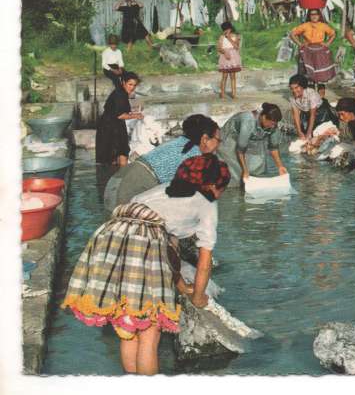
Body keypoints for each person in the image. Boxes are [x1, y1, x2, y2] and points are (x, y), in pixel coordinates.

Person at [62, 152, 231, 375]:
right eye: (221, 190)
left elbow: (170, 253)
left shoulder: (165, 190)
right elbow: (204, 261)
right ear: (211, 186)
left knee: (128, 326)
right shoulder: (207, 203)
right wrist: (198, 296)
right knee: (150, 334)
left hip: (110, 237)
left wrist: (181, 286)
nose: (220, 195)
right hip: (143, 242)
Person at [106, 114, 221, 208]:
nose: (219, 145)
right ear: (205, 139)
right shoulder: (196, 156)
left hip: (117, 180)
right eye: (218, 140)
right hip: (136, 184)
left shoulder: (179, 142)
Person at [217, 103, 288, 183]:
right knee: (236, 173)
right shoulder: (248, 120)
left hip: (250, 138)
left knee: (258, 167)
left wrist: (280, 166)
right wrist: (245, 170)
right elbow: (240, 149)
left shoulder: (273, 126)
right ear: (263, 117)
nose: (272, 126)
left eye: (274, 124)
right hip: (230, 138)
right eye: (271, 123)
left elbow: (273, 148)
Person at [95, 71, 143, 167]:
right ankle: (122, 176)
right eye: (130, 84)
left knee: (114, 154)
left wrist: (133, 113)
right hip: (111, 127)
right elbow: (120, 115)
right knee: (121, 151)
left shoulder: (121, 92)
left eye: (134, 85)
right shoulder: (120, 94)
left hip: (109, 125)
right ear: (123, 82)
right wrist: (136, 116)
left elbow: (118, 111)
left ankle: (115, 175)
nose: (132, 87)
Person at [289, 8, 336, 83]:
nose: (314, 16)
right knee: (308, 75)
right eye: (312, 14)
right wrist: (300, 44)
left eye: (316, 14)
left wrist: (327, 43)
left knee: (321, 77)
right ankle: (309, 91)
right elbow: (292, 34)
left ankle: (320, 92)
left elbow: (333, 34)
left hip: (320, 52)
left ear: (319, 15)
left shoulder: (323, 25)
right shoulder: (305, 25)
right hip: (307, 52)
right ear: (309, 16)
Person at [288, 74, 338, 141]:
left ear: (303, 86)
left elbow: (313, 115)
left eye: (296, 88)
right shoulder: (292, 97)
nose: (294, 91)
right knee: (303, 134)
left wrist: (308, 133)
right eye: (292, 88)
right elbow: (296, 115)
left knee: (316, 134)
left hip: (321, 113)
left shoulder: (311, 94)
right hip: (306, 113)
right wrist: (299, 131)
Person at [217, 21, 242, 99]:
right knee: (224, 76)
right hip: (225, 57)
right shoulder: (221, 37)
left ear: (230, 29)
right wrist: (224, 52)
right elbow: (219, 48)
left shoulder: (235, 36)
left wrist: (229, 38)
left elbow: (237, 47)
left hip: (233, 58)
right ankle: (222, 94)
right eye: (224, 30)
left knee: (233, 76)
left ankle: (234, 94)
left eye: (227, 29)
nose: (225, 31)